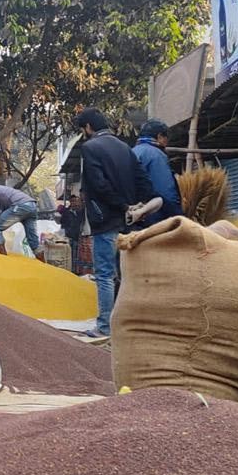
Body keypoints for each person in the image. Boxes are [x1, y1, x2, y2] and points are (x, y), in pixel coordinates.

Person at [76, 108, 156, 338]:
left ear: (88, 127)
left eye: (84, 130)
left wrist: (121, 206)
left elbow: (98, 185)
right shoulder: (125, 148)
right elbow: (143, 180)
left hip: (106, 219)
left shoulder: (90, 148)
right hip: (128, 222)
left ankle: (104, 327)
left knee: (104, 274)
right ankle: (127, 324)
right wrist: (139, 207)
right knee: (126, 273)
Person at [131, 120, 183, 225]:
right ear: (159, 137)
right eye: (166, 139)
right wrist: (177, 215)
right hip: (154, 216)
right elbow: (165, 190)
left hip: (135, 213)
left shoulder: (132, 152)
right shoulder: (156, 155)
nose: (166, 143)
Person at [57, 195, 85, 273]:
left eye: (75, 201)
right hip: (69, 236)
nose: (74, 203)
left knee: (76, 254)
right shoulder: (66, 212)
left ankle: (75, 270)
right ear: (70, 202)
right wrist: (64, 234)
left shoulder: (80, 212)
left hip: (77, 236)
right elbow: (62, 223)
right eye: (72, 201)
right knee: (69, 254)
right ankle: (70, 270)